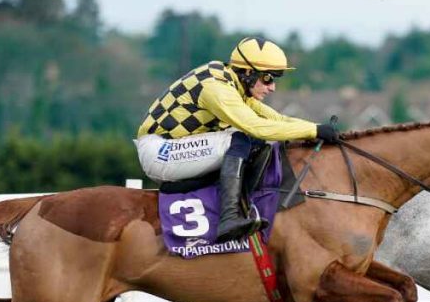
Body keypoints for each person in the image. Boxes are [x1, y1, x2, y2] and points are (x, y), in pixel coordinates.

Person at [136, 37, 340, 242]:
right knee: (241, 138)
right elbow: (257, 127)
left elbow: (278, 120)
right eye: (268, 78)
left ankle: (236, 203)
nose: (272, 87)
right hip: (160, 152)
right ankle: (230, 219)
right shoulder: (217, 88)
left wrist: (317, 129)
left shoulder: (233, 84)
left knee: (256, 142)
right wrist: (313, 130)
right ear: (249, 72)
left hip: (176, 149)